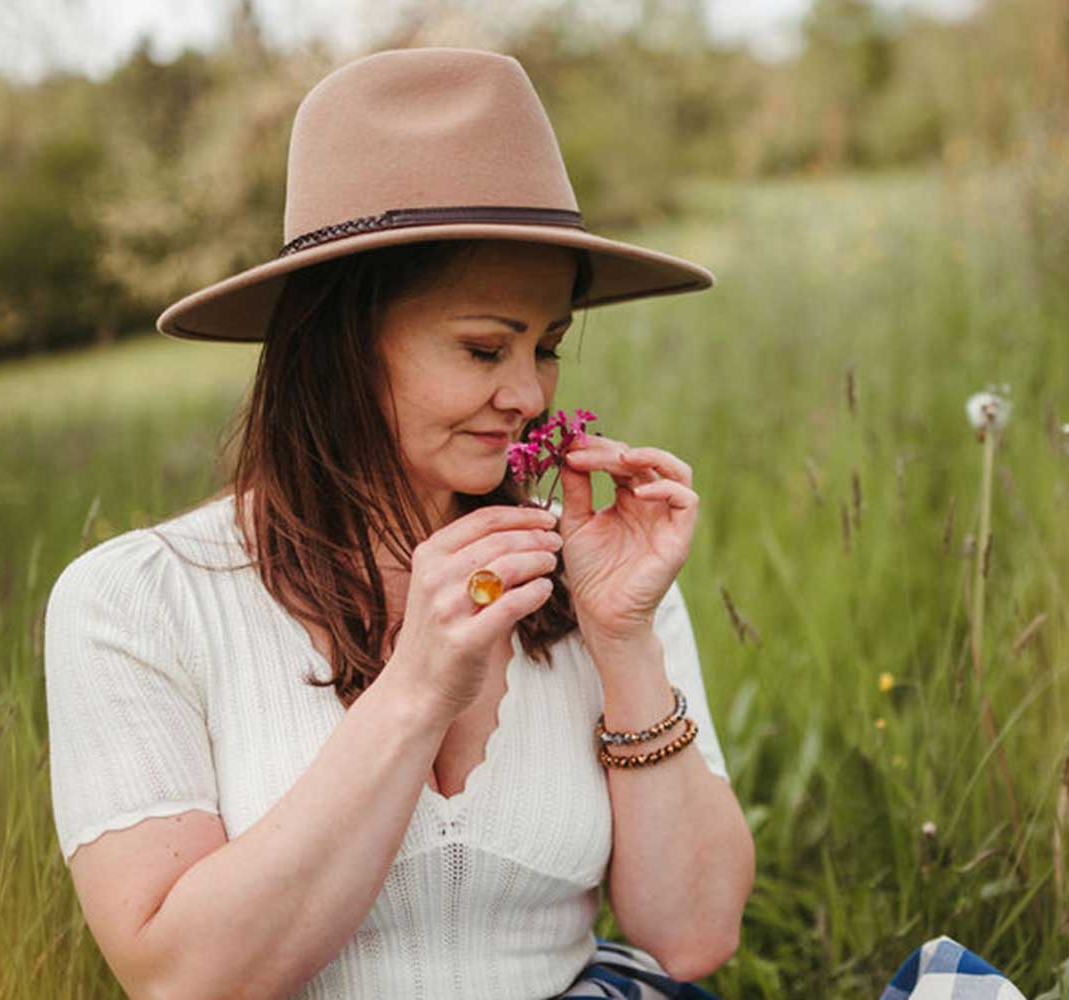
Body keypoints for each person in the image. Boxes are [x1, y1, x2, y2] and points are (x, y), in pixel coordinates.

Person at [43, 47, 754, 1000]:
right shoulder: (136, 603)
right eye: (482, 347)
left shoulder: (586, 577)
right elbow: (184, 981)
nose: (528, 394)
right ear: (339, 343)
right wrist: (418, 689)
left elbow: (694, 936)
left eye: (547, 348)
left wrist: (622, 639)